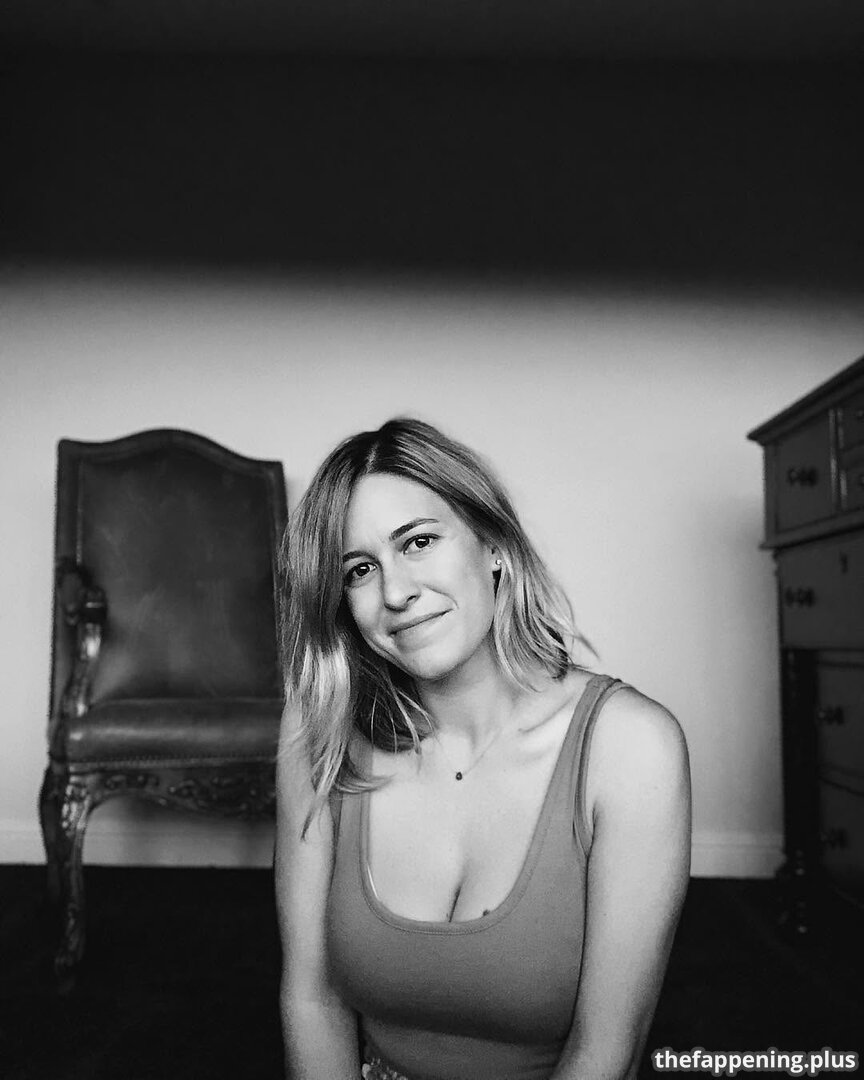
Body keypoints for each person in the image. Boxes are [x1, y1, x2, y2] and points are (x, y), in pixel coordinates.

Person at [275, 417, 691, 1080]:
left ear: (493, 543)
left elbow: (606, 1049)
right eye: (359, 570)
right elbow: (312, 998)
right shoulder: (320, 729)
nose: (396, 593)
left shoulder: (631, 747)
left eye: (418, 542)